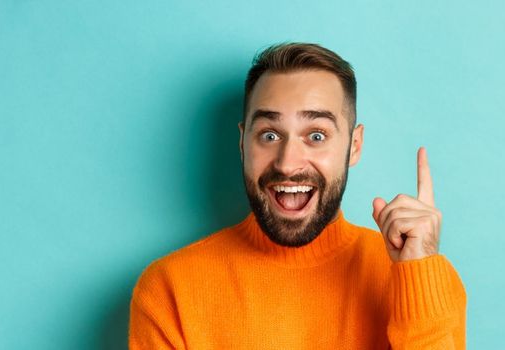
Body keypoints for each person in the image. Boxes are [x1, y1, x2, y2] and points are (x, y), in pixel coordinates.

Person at [129, 42, 466, 349]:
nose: (288, 164)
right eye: (270, 134)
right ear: (242, 143)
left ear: (354, 145)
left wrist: (417, 277)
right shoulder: (169, 290)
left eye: (316, 135)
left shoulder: (425, 281)